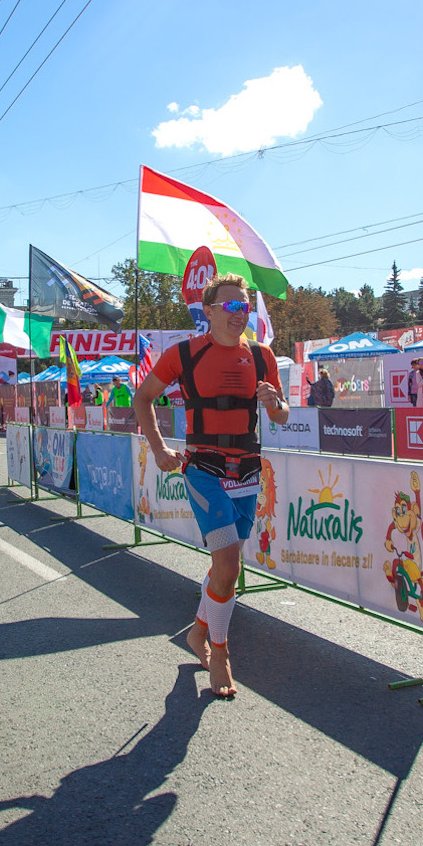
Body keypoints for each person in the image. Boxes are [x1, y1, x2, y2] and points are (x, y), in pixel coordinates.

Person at [134, 273, 289, 701]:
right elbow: (142, 398)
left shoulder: (261, 356)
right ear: (210, 311)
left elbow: (281, 415)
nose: (241, 315)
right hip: (203, 468)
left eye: (245, 307)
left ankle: (198, 632)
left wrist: (275, 403)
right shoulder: (183, 354)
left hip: (248, 470)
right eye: (233, 306)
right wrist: (160, 448)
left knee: (226, 567)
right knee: (228, 565)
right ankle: (219, 654)